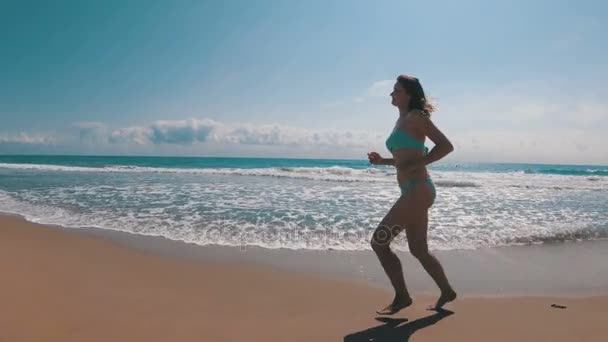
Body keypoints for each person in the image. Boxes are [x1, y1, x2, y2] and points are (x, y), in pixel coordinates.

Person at [367, 74, 457, 315]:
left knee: (379, 242)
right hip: (414, 190)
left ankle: (402, 297)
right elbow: (404, 160)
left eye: (396, 90)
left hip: (418, 189)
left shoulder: (416, 117)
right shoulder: (401, 120)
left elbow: (446, 146)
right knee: (419, 250)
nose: (391, 94)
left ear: (408, 94)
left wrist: (420, 164)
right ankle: (447, 291)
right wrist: (382, 161)